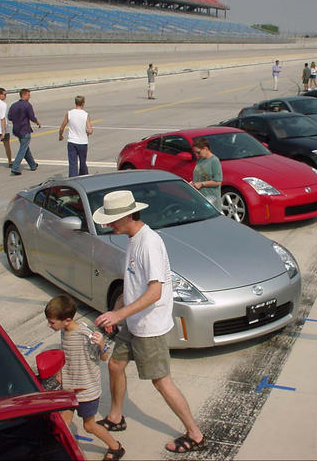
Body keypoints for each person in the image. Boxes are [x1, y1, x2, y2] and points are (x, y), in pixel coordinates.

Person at [92, 191, 206, 454]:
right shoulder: (132, 238)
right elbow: (133, 283)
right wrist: (117, 310)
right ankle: (116, 417)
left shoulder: (149, 243)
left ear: (129, 215)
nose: (110, 225)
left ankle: (196, 434)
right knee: (116, 364)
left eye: (113, 220)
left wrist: (118, 315)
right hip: (133, 321)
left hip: (149, 327)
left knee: (161, 381)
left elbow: (155, 292)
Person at [45, 294, 126, 461]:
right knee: (62, 424)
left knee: (89, 426)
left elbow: (103, 358)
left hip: (86, 391)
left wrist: (102, 344)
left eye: (52, 322)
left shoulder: (85, 335)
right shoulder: (64, 331)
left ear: (67, 320)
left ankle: (115, 447)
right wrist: (60, 372)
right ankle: (72, 452)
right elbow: (66, 354)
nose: (49, 325)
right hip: (69, 388)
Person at [8, 88, 41, 175]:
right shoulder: (27, 105)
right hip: (24, 129)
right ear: (24, 95)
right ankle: (15, 167)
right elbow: (32, 117)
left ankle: (33, 165)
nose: (29, 97)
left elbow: (9, 117)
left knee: (25, 147)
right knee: (23, 149)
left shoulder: (13, 105)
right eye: (28, 95)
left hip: (16, 130)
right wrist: (37, 122)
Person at [59, 95, 93, 177]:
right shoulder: (85, 115)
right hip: (83, 142)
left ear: (75, 103)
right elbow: (90, 130)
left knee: (73, 163)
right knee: (82, 162)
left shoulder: (69, 113)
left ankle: (73, 178)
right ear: (83, 103)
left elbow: (62, 126)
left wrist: (60, 135)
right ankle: (84, 176)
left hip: (72, 142)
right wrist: (88, 132)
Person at [191, 138, 223, 210]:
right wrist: (193, 183)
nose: (197, 155)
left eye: (198, 152)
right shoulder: (199, 159)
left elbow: (218, 181)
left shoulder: (214, 161)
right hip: (199, 198)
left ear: (206, 149)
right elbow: (198, 176)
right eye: (195, 152)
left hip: (211, 200)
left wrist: (201, 184)